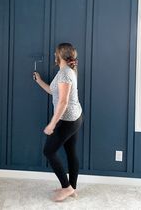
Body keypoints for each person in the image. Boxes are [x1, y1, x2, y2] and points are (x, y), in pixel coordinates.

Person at [33, 42, 83, 202]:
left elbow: (63, 102)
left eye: (56, 54)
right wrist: (39, 81)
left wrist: (52, 124)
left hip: (67, 120)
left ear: (60, 55)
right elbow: (52, 91)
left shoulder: (65, 74)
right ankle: (72, 188)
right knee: (70, 152)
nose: (54, 56)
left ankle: (67, 187)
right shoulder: (66, 72)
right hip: (74, 118)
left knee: (48, 151)